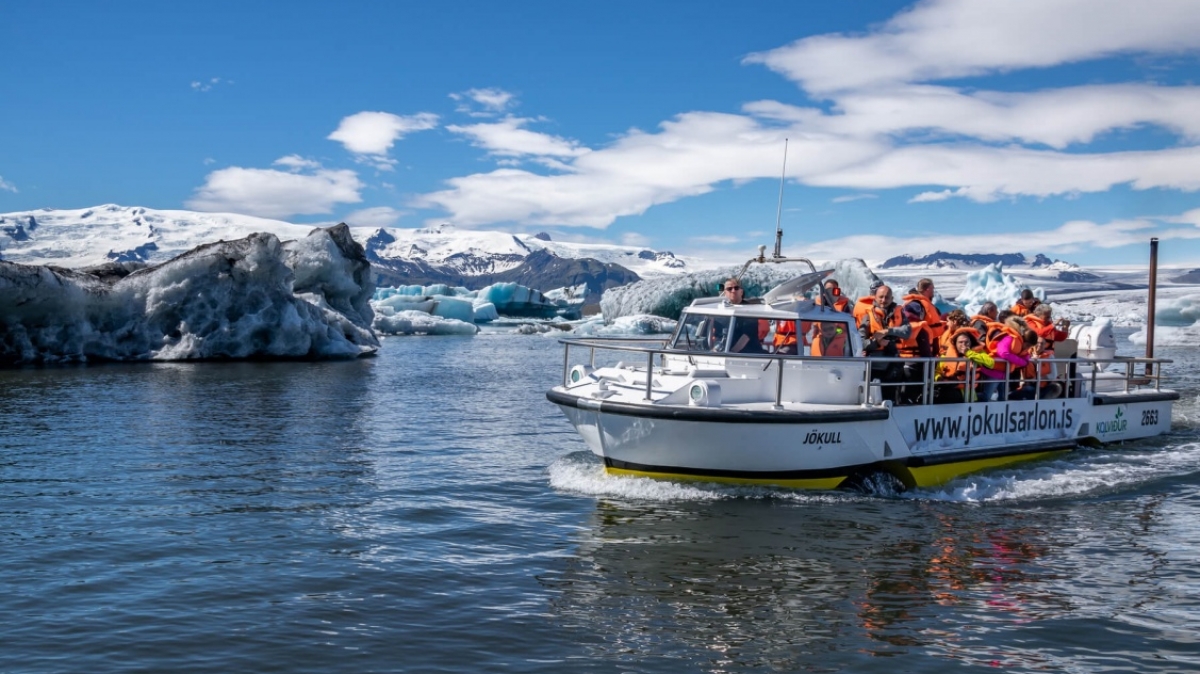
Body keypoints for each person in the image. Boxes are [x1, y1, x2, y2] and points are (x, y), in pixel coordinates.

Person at [858, 285, 912, 403]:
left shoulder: (899, 314)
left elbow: (907, 332)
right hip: (874, 367)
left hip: (894, 364)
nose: (883, 300)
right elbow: (860, 343)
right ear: (875, 298)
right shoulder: (868, 316)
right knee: (875, 400)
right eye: (881, 297)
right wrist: (877, 343)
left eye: (887, 297)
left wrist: (888, 331)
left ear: (892, 298)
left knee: (892, 399)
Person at [979, 318, 1033, 402]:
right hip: (994, 371)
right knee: (986, 396)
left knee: (1003, 398)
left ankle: (997, 413)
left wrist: (1025, 360)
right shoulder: (1008, 337)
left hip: (1003, 373)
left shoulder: (1018, 340)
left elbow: (1023, 354)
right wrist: (1022, 362)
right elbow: (1003, 352)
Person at [934, 328, 993, 404]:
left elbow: (990, 363)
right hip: (947, 389)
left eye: (966, 342)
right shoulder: (945, 356)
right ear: (955, 343)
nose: (963, 345)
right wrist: (939, 378)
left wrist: (968, 352)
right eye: (960, 342)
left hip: (967, 395)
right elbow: (937, 372)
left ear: (971, 343)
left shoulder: (976, 353)